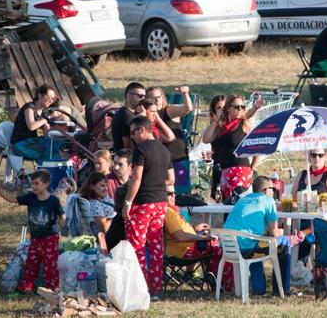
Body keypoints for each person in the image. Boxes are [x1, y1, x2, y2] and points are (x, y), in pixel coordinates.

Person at [122, 115, 174, 299]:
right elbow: (171, 179)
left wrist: (127, 202)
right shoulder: (165, 150)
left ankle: (140, 289)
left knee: (137, 246)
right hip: (160, 202)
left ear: (142, 130)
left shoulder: (140, 149)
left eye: (133, 132)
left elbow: (136, 177)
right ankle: (155, 289)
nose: (132, 136)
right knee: (156, 247)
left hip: (143, 202)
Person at [224, 175, 296, 296]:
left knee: (256, 243)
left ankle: (259, 289)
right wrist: (285, 234)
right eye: (273, 189)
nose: (274, 192)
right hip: (247, 247)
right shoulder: (268, 200)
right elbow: (275, 234)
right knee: (284, 243)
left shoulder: (243, 199)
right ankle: (282, 289)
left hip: (229, 246)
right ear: (265, 190)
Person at [0, 170, 65, 293]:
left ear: (46, 184)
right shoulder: (30, 198)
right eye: (32, 183)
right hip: (35, 239)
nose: (33, 186)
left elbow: (61, 216)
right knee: (31, 264)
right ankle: (25, 288)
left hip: (50, 239)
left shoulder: (53, 200)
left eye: (37, 183)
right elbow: (13, 199)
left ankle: (52, 290)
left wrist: (61, 228)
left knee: (50, 267)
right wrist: (0, 192)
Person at [163, 184, 233, 291]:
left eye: (174, 193)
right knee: (218, 248)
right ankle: (220, 282)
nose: (173, 196)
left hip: (185, 248)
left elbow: (180, 229)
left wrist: (195, 228)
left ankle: (213, 277)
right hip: (181, 253)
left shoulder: (171, 211)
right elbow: (180, 236)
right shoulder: (168, 213)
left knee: (214, 243)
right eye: (169, 194)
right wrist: (203, 238)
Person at [202, 94, 264, 201]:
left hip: (240, 172)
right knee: (226, 208)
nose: (240, 109)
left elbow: (257, 148)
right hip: (225, 172)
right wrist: (216, 120)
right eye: (236, 107)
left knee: (237, 207)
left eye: (242, 107)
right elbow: (206, 139)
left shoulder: (244, 123)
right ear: (228, 109)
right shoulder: (221, 127)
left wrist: (251, 170)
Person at [147, 86, 194, 191]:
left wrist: (185, 94)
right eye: (153, 98)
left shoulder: (168, 110)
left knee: (181, 194)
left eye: (159, 97)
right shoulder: (148, 116)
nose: (157, 100)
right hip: (161, 162)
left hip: (178, 159)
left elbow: (188, 109)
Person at [10, 85, 58, 160]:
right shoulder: (29, 107)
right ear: (40, 96)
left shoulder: (44, 111)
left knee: (55, 146)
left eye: (53, 99)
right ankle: (46, 170)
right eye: (49, 97)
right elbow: (31, 126)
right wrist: (47, 119)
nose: (51, 100)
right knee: (49, 152)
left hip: (32, 142)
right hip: (21, 144)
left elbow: (46, 128)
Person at [78, 172, 115, 254]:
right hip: (103, 241)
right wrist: (116, 217)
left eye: (106, 185)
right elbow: (104, 228)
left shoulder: (105, 198)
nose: (106, 188)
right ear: (92, 186)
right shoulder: (93, 204)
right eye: (102, 185)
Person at [111, 82, 146, 151]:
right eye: (140, 96)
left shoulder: (123, 112)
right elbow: (128, 147)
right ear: (128, 95)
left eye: (145, 96)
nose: (143, 99)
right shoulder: (127, 116)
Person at [206, 94, 227, 200]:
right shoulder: (214, 126)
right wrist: (216, 121)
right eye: (219, 108)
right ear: (214, 111)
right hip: (219, 167)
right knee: (219, 202)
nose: (222, 110)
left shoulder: (235, 124)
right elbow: (206, 139)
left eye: (225, 107)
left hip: (232, 167)